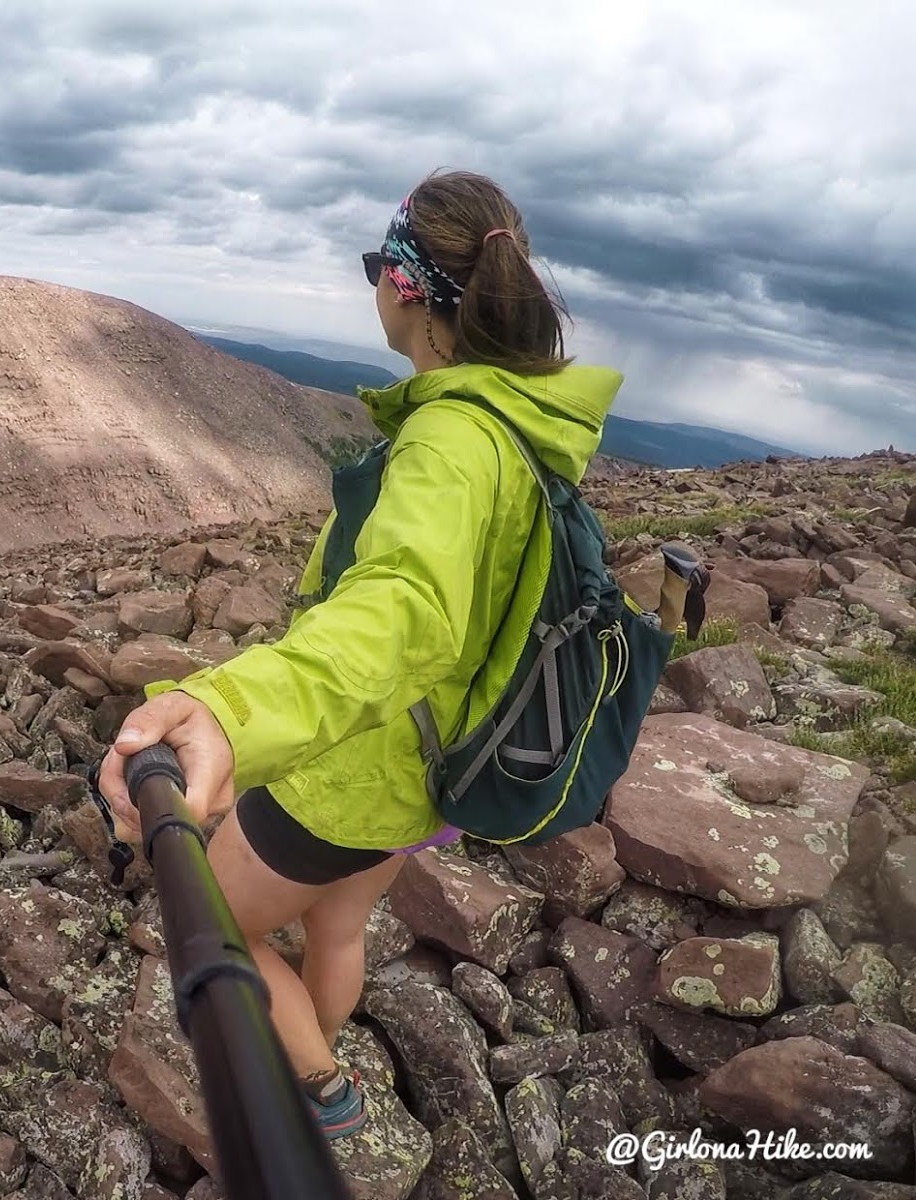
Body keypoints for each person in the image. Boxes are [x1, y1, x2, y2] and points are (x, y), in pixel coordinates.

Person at [96, 168, 624, 1140]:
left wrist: (229, 711)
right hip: (427, 769)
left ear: (411, 288)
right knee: (335, 925)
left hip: (352, 764)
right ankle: (319, 1063)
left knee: (214, 914)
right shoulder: (514, 425)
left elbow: (403, 607)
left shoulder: (451, 441)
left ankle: (318, 1089)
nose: (372, 280)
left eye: (379, 261)